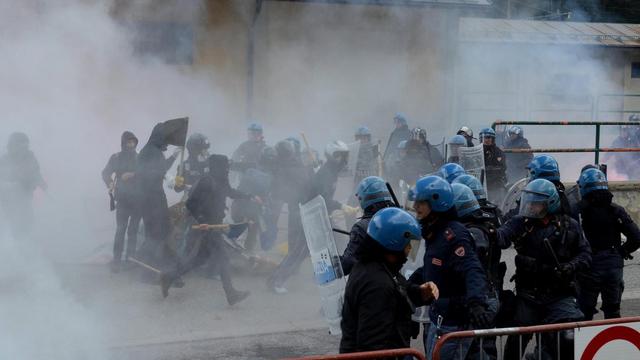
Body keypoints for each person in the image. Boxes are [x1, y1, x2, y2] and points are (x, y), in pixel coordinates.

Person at [498, 179, 591, 360]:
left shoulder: (569, 225)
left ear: (550, 204)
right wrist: (491, 233)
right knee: (515, 343)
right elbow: (503, 236)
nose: (531, 207)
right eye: (529, 202)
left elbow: (585, 254)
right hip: (528, 295)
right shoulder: (521, 223)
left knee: (567, 339)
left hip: (559, 295)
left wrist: (570, 266)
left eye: (536, 203)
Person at [407, 176, 491, 359]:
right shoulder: (434, 232)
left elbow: (472, 269)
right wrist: (406, 287)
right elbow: (433, 269)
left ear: (437, 203)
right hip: (441, 317)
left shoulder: (454, 235)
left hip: (453, 323)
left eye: (420, 203)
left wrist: (476, 303)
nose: (415, 207)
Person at [340, 207, 439, 354]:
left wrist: (419, 293)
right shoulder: (377, 284)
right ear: (395, 242)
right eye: (408, 244)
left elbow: (399, 288)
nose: (409, 250)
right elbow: (372, 347)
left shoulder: (374, 266)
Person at [160, 154, 254, 305]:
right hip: (207, 226)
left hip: (215, 223)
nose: (227, 169)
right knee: (223, 258)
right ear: (218, 167)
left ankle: (169, 276)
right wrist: (202, 220)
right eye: (225, 166)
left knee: (198, 259)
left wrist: (249, 196)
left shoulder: (222, 180)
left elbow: (230, 192)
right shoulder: (206, 181)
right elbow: (191, 203)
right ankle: (231, 294)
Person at [268, 140, 358, 293]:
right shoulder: (326, 173)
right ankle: (276, 280)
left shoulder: (330, 172)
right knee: (300, 250)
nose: (342, 160)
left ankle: (325, 277)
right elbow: (321, 198)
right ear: (330, 156)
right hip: (309, 216)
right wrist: (341, 206)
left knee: (334, 244)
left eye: (344, 156)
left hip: (319, 215)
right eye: (338, 156)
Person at [575, 168, 640, 320]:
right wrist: (622, 252)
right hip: (613, 266)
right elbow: (636, 237)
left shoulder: (577, 211)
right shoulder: (616, 210)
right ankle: (614, 343)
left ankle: (584, 344)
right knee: (613, 312)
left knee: (584, 315)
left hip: (589, 267)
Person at [451, 183, 501, 359]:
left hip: (479, 300)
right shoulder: (481, 226)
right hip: (485, 295)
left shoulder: (472, 234)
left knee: (478, 351)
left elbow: (471, 271)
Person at [136, 123, 181, 267]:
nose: (166, 142)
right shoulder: (149, 151)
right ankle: (147, 266)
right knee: (155, 232)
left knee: (162, 230)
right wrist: (166, 176)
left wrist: (174, 155)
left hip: (155, 197)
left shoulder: (153, 150)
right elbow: (147, 172)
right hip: (150, 198)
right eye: (164, 138)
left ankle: (151, 262)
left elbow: (161, 168)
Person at [101, 131, 141, 272]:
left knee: (133, 231)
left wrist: (133, 174)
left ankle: (130, 259)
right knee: (120, 230)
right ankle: (116, 260)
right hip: (123, 199)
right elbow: (105, 173)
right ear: (123, 143)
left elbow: (147, 173)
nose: (131, 145)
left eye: (133, 142)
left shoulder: (139, 158)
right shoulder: (116, 158)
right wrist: (110, 183)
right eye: (129, 142)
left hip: (137, 200)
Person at [340, 176, 394, 276]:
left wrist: (333, 262)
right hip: (391, 280)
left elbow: (346, 265)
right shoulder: (394, 219)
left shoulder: (362, 228)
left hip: (370, 284)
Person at [0, 132, 46, 241]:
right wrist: (14, 185)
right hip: (9, 201)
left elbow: (36, 173)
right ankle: (15, 247)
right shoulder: (4, 161)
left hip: (25, 198)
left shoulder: (30, 158)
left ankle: (30, 244)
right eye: (20, 146)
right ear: (13, 146)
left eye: (25, 146)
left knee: (28, 223)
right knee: (15, 225)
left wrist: (42, 183)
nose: (23, 149)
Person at [479, 128, 507, 204]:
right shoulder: (476, 152)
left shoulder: (498, 152)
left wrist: (488, 169)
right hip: (480, 183)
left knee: (499, 194)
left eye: (488, 137)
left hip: (495, 183)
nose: (486, 140)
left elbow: (502, 168)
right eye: (484, 137)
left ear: (493, 139)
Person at [383, 113, 411, 177]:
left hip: (406, 158)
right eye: (395, 122)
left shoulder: (408, 133)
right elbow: (389, 147)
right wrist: (384, 158)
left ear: (402, 122)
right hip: (395, 158)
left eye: (398, 122)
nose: (396, 124)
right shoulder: (394, 133)